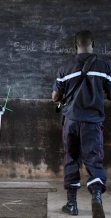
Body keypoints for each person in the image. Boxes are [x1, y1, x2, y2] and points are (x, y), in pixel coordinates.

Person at [52, 30, 111, 218]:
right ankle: (96, 197)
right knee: (93, 159)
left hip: (71, 122)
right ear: (92, 43)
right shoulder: (104, 67)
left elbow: (55, 97)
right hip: (92, 123)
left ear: (75, 46)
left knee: (71, 159)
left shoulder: (65, 68)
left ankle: (71, 204)